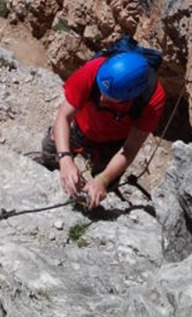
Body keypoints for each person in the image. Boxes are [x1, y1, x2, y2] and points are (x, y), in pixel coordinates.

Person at [40, 50, 166, 209]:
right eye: (100, 91)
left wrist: (103, 180)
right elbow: (64, 117)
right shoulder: (93, 70)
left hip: (114, 143)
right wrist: (65, 159)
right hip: (81, 128)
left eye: (109, 99)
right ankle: (50, 167)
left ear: (130, 97)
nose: (100, 98)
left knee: (105, 184)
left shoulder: (151, 100)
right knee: (51, 150)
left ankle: (98, 198)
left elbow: (129, 149)